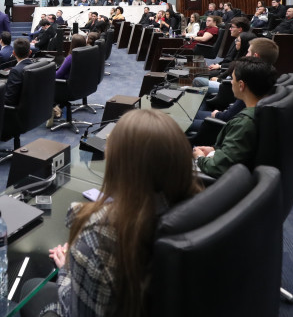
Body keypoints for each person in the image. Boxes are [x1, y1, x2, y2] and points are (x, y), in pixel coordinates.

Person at [31, 110, 202, 317]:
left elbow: (76, 312)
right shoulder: (199, 207)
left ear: (119, 169)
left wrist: (68, 269)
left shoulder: (97, 237)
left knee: (32, 288)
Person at [193, 57, 277, 177]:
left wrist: (199, 157)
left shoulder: (245, 123)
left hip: (221, 182)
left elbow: (217, 167)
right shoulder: (268, 109)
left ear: (241, 85)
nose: (231, 82)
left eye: (233, 79)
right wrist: (214, 150)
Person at [188, 38, 279, 135]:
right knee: (192, 113)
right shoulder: (268, 75)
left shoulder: (251, 80)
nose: (246, 55)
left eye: (248, 52)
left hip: (225, 125)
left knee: (184, 119)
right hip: (230, 120)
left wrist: (217, 114)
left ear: (241, 85)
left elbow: (230, 117)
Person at [52, 34, 89, 119]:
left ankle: (54, 106)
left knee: (45, 81)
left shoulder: (71, 58)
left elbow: (58, 75)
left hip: (67, 87)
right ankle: (59, 104)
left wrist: (47, 74)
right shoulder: (86, 54)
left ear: (73, 44)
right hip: (81, 86)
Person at [4, 38, 34, 106]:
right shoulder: (36, 66)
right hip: (33, 108)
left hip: (17, 112)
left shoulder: (15, 71)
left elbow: (9, 101)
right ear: (30, 52)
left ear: (14, 53)